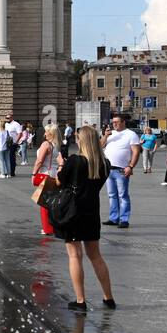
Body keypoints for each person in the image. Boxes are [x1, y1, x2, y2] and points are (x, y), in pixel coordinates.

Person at [55, 125, 115, 313]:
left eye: (78, 138)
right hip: (91, 211)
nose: (76, 141)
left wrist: (60, 165)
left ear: (82, 140)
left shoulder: (75, 161)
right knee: (96, 256)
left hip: (72, 212)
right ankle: (108, 297)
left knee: (75, 255)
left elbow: (60, 181)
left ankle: (81, 300)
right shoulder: (104, 164)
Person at [101, 114, 141, 227]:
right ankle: (114, 218)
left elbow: (136, 152)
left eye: (117, 122)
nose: (114, 124)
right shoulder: (110, 134)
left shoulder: (131, 134)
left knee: (122, 195)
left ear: (123, 122)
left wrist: (131, 166)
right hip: (108, 169)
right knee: (111, 194)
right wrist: (105, 136)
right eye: (113, 122)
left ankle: (124, 219)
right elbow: (99, 146)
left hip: (122, 169)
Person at [31, 124, 62, 236]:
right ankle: (53, 227)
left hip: (45, 174)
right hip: (53, 174)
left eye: (46, 131)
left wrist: (34, 173)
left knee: (44, 203)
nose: (44, 133)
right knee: (51, 203)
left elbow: (39, 160)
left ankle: (47, 228)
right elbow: (60, 161)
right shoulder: (56, 145)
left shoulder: (46, 144)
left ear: (50, 133)